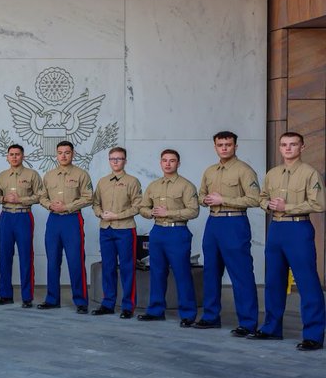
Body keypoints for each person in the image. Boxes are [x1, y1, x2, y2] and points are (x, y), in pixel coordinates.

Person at [250, 131, 324, 351]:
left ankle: (313, 334)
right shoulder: (272, 174)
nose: (288, 148)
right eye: (284, 145)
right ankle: (272, 328)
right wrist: (268, 205)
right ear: (280, 148)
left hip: (298, 228)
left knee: (307, 281)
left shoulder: (310, 173)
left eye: (293, 144)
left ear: (302, 147)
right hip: (276, 229)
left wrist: (287, 207)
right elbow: (261, 197)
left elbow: (319, 204)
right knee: (274, 280)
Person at [195, 131, 261, 336]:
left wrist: (223, 200)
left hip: (234, 222)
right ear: (215, 147)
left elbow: (255, 199)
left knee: (240, 273)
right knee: (211, 272)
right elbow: (201, 195)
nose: (224, 148)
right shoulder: (209, 171)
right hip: (213, 223)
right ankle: (211, 316)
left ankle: (248, 322)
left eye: (228, 144)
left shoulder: (244, 170)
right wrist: (205, 200)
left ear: (235, 147)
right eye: (220, 144)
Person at [137, 149, 200, 325]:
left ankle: (187, 314)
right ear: (160, 163)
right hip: (157, 232)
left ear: (178, 163)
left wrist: (168, 212)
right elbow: (142, 207)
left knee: (182, 273)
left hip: (177, 232)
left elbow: (194, 211)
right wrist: (150, 213)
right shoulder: (153, 186)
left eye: (172, 161)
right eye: (165, 160)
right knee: (157, 272)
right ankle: (156, 310)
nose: (168, 164)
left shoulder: (186, 186)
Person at [37, 140, 93, 313]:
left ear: (73, 154)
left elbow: (88, 197)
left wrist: (67, 206)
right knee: (52, 260)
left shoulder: (81, 174)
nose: (63, 155)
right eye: (60, 152)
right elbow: (42, 196)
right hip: (54, 220)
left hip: (72, 220)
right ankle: (52, 299)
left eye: (67, 152)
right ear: (56, 154)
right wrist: (50, 205)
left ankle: (81, 301)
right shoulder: (49, 175)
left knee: (75, 261)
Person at [91, 147, 141, 318]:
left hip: (125, 229)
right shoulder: (102, 182)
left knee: (127, 267)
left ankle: (128, 306)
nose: (115, 161)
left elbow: (138, 206)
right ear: (109, 160)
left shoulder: (132, 181)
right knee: (108, 267)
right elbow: (95, 202)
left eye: (119, 159)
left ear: (125, 161)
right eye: (113, 159)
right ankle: (108, 303)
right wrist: (100, 213)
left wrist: (117, 215)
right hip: (106, 230)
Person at [0, 144, 42, 307]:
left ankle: (27, 297)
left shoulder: (32, 174)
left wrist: (21, 199)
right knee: (4, 257)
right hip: (6, 217)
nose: (14, 157)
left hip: (23, 216)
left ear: (23, 156)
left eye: (17, 154)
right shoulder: (2, 176)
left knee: (26, 257)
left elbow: (40, 195)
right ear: (7, 157)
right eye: (11, 154)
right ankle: (5, 294)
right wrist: (5, 199)